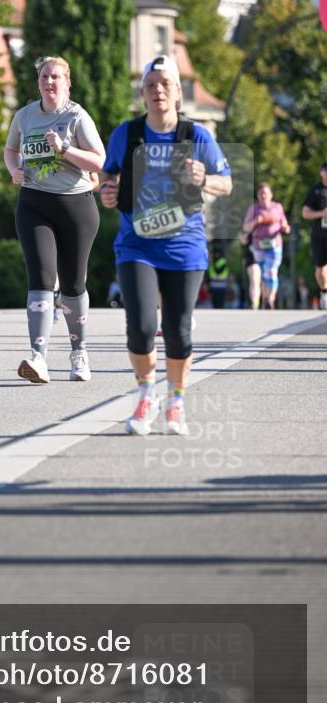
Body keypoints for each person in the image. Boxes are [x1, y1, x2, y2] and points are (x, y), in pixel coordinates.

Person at [99, 54, 232, 435]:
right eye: (151, 85)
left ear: (177, 93)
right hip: (136, 245)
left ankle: (176, 400)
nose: (158, 90)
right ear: (142, 93)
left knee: (178, 330)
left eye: (165, 84)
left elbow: (227, 183)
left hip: (184, 246)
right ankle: (146, 395)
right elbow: (106, 177)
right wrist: (107, 192)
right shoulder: (126, 134)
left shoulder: (196, 136)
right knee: (141, 326)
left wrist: (204, 178)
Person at [4, 55, 105, 383]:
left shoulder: (76, 116)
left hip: (76, 207)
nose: (49, 82)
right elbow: (10, 150)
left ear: (67, 83)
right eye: (44, 77)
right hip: (34, 204)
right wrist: (14, 169)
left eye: (55, 77)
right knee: (41, 279)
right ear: (38, 82)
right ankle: (39, 357)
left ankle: (79, 352)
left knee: (73, 285)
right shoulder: (24, 116)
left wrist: (64, 149)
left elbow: (99, 161)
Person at [242, 183, 291, 310]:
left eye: (266, 193)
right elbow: (245, 227)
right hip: (258, 246)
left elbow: (285, 224)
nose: (263, 196)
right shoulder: (254, 208)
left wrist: (285, 228)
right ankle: (265, 297)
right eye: (261, 193)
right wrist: (256, 221)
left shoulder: (277, 207)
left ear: (271, 195)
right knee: (264, 273)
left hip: (275, 245)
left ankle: (270, 298)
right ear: (258, 195)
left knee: (272, 271)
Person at [301, 161, 327, 310]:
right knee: (321, 270)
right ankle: (324, 292)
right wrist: (322, 213)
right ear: (321, 172)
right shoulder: (315, 191)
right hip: (320, 235)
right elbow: (305, 213)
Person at [238, 230, 261, 309]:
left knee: (264, 281)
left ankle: (267, 301)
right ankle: (255, 303)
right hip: (252, 257)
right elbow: (243, 241)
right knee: (254, 280)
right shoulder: (248, 226)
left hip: (266, 255)